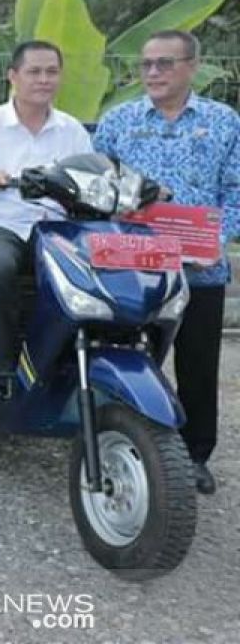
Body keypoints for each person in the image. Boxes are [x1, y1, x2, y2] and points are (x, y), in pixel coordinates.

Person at [94, 30, 239, 495]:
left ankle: (194, 456)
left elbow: (237, 188)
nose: (153, 73)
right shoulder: (119, 121)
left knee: (197, 365)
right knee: (131, 357)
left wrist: (217, 238)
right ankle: (128, 447)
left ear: (192, 66)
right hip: (132, 267)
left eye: (165, 64)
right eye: (147, 64)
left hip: (202, 269)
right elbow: (98, 185)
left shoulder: (224, 122)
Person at [0, 40, 92, 397]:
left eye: (51, 72)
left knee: (92, 270)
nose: (43, 80)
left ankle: (78, 361)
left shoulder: (72, 130)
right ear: (13, 76)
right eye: (34, 72)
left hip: (54, 227)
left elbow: (91, 179)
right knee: (0, 267)